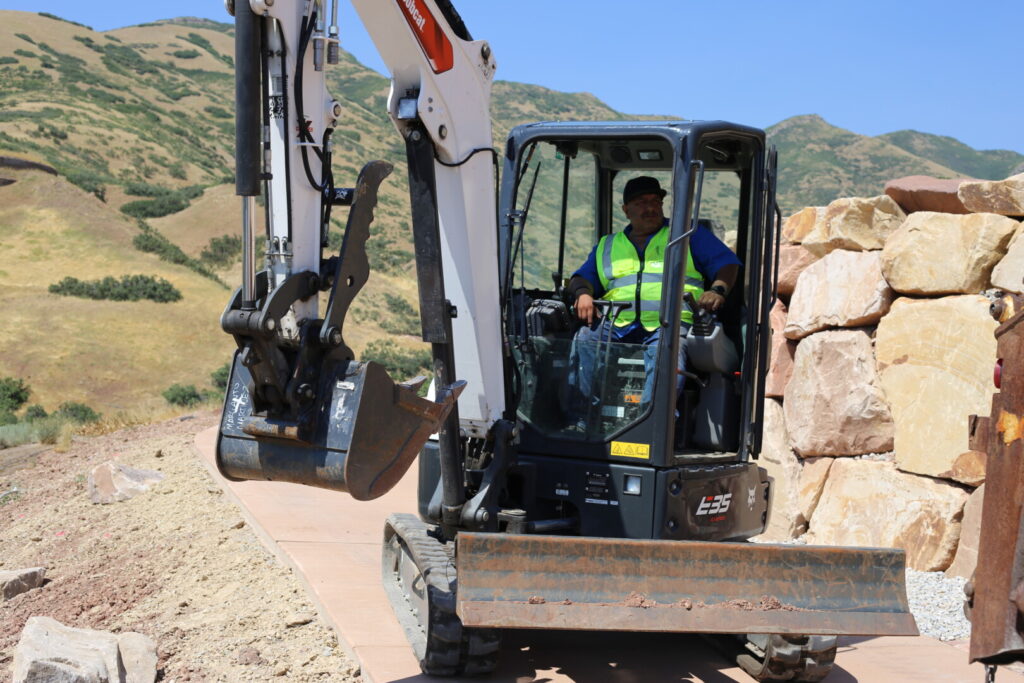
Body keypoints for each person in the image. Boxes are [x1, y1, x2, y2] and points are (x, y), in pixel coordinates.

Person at [566, 176, 740, 421]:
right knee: (585, 339)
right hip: (616, 323)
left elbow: (727, 265)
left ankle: (650, 424)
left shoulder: (686, 235)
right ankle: (581, 421)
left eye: (655, 201)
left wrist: (718, 290)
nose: (650, 208)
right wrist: (583, 294)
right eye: (640, 202)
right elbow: (582, 277)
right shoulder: (608, 245)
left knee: (666, 352)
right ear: (626, 210)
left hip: (668, 322)